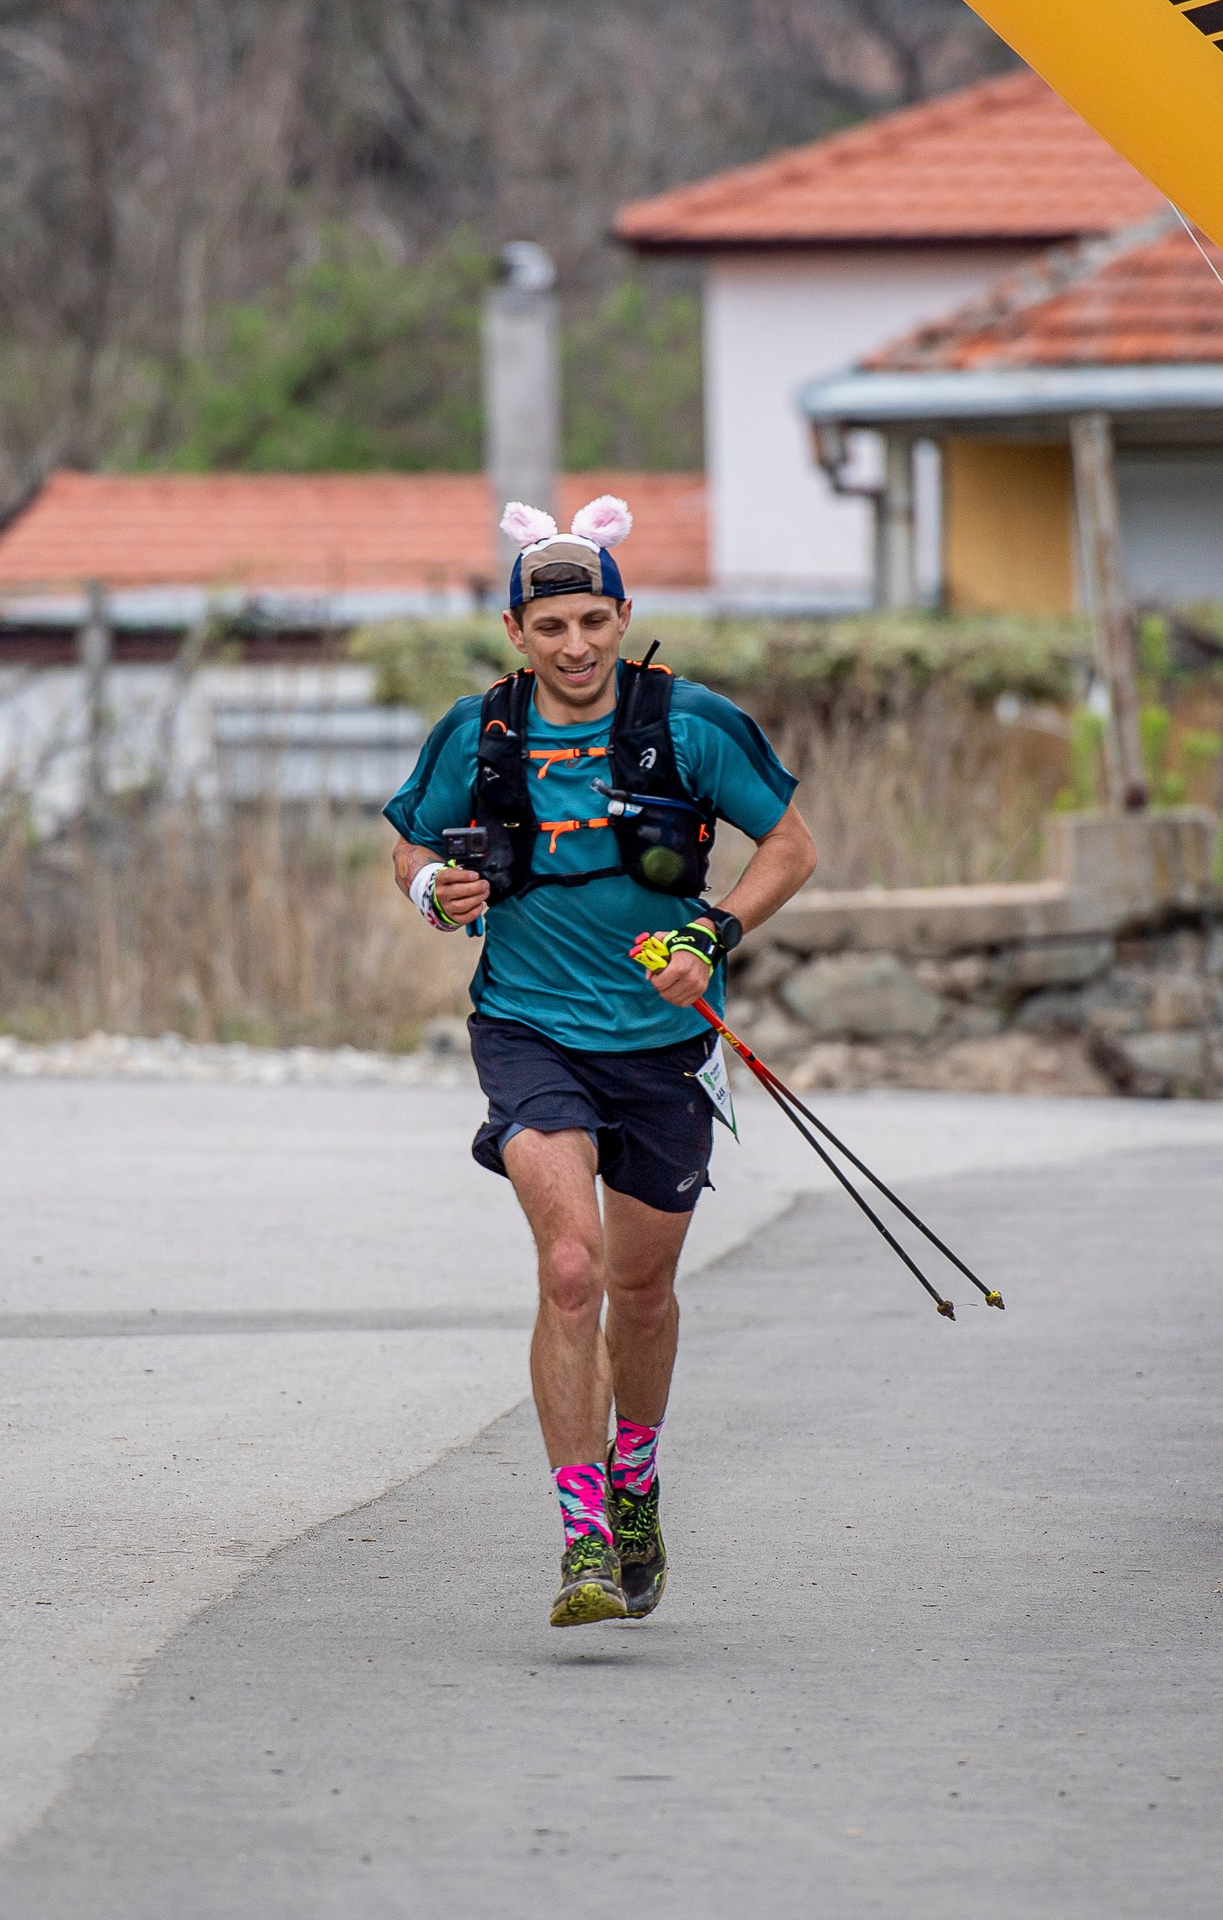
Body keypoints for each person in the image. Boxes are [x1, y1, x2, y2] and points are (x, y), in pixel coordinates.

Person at [385, 495, 818, 1627]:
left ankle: (635, 1474)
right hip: (528, 1029)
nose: (574, 646)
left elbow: (790, 845)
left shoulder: (689, 727)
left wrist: (709, 935)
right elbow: (408, 844)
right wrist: (434, 890)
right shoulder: (478, 734)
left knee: (640, 1288)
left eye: (592, 620)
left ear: (623, 615)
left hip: (668, 1043)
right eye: (551, 627)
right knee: (570, 1268)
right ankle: (581, 1531)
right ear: (515, 635)